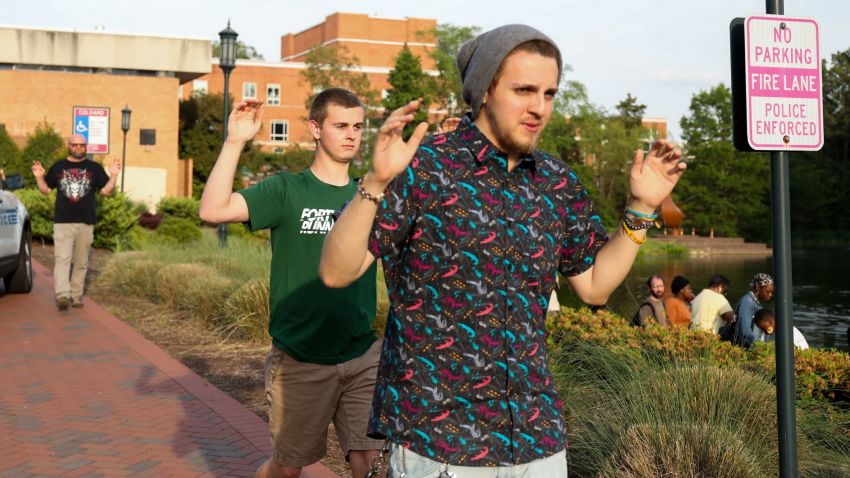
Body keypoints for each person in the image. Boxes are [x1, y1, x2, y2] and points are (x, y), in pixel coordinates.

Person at [318, 24, 685, 476]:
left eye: (549, 93)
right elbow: (337, 271)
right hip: (440, 441)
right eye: (525, 90)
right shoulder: (421, 166)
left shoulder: (557, 182)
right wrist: (374, 183)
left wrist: (642, 207)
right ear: (486, 90)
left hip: (538, 441)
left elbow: (593, 286)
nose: (539, 107)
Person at [198, 89, 383, 478]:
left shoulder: (369, 196)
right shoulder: (286, 190)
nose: (351, 135)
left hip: (361, 353)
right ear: (315, 128)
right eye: (340, 126)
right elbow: (213, 209)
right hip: (300, 357)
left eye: (358, 127)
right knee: (287, 469)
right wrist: (234, 141)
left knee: (371, 464)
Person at [31, 134, 120, 310]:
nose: (78, 147)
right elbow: (45, 190)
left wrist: (114, 176)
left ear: (85, 147)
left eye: (82, 145)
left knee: (81, 261)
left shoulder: (94, 167)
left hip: (86, 222)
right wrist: (39, 177)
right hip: (63, 221)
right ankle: (63, 295)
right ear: (69, 145)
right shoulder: (59, 166)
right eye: (75, 144)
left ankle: (76, 294)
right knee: (62, 258)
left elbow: (107, 191)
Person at [732, 273, 775, 347]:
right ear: (758, 288)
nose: (770, 295)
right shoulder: (747, 301)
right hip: (743, 349)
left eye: (772, 292)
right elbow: (744, 330)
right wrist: (756, 347)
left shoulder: (756, 304)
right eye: (768, 292)